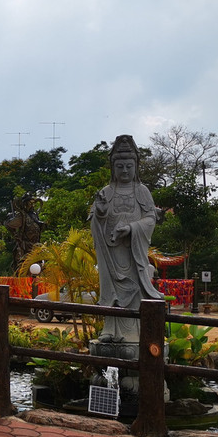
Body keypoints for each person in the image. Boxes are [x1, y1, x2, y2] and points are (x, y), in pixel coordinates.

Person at [90, 135, 163, 342]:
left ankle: (136, 333)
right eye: (120, 166)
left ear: (136, 167)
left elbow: (150, 218)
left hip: (133, 253)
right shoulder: (106, 192)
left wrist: (132, 228)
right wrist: (101, 213)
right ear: (113, 168)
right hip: (112, 254)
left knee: (135, 291)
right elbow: (96, 221)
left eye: (128, 166)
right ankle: (110, 330)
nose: (124, 171)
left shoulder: (142, 191)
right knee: (111, 291)